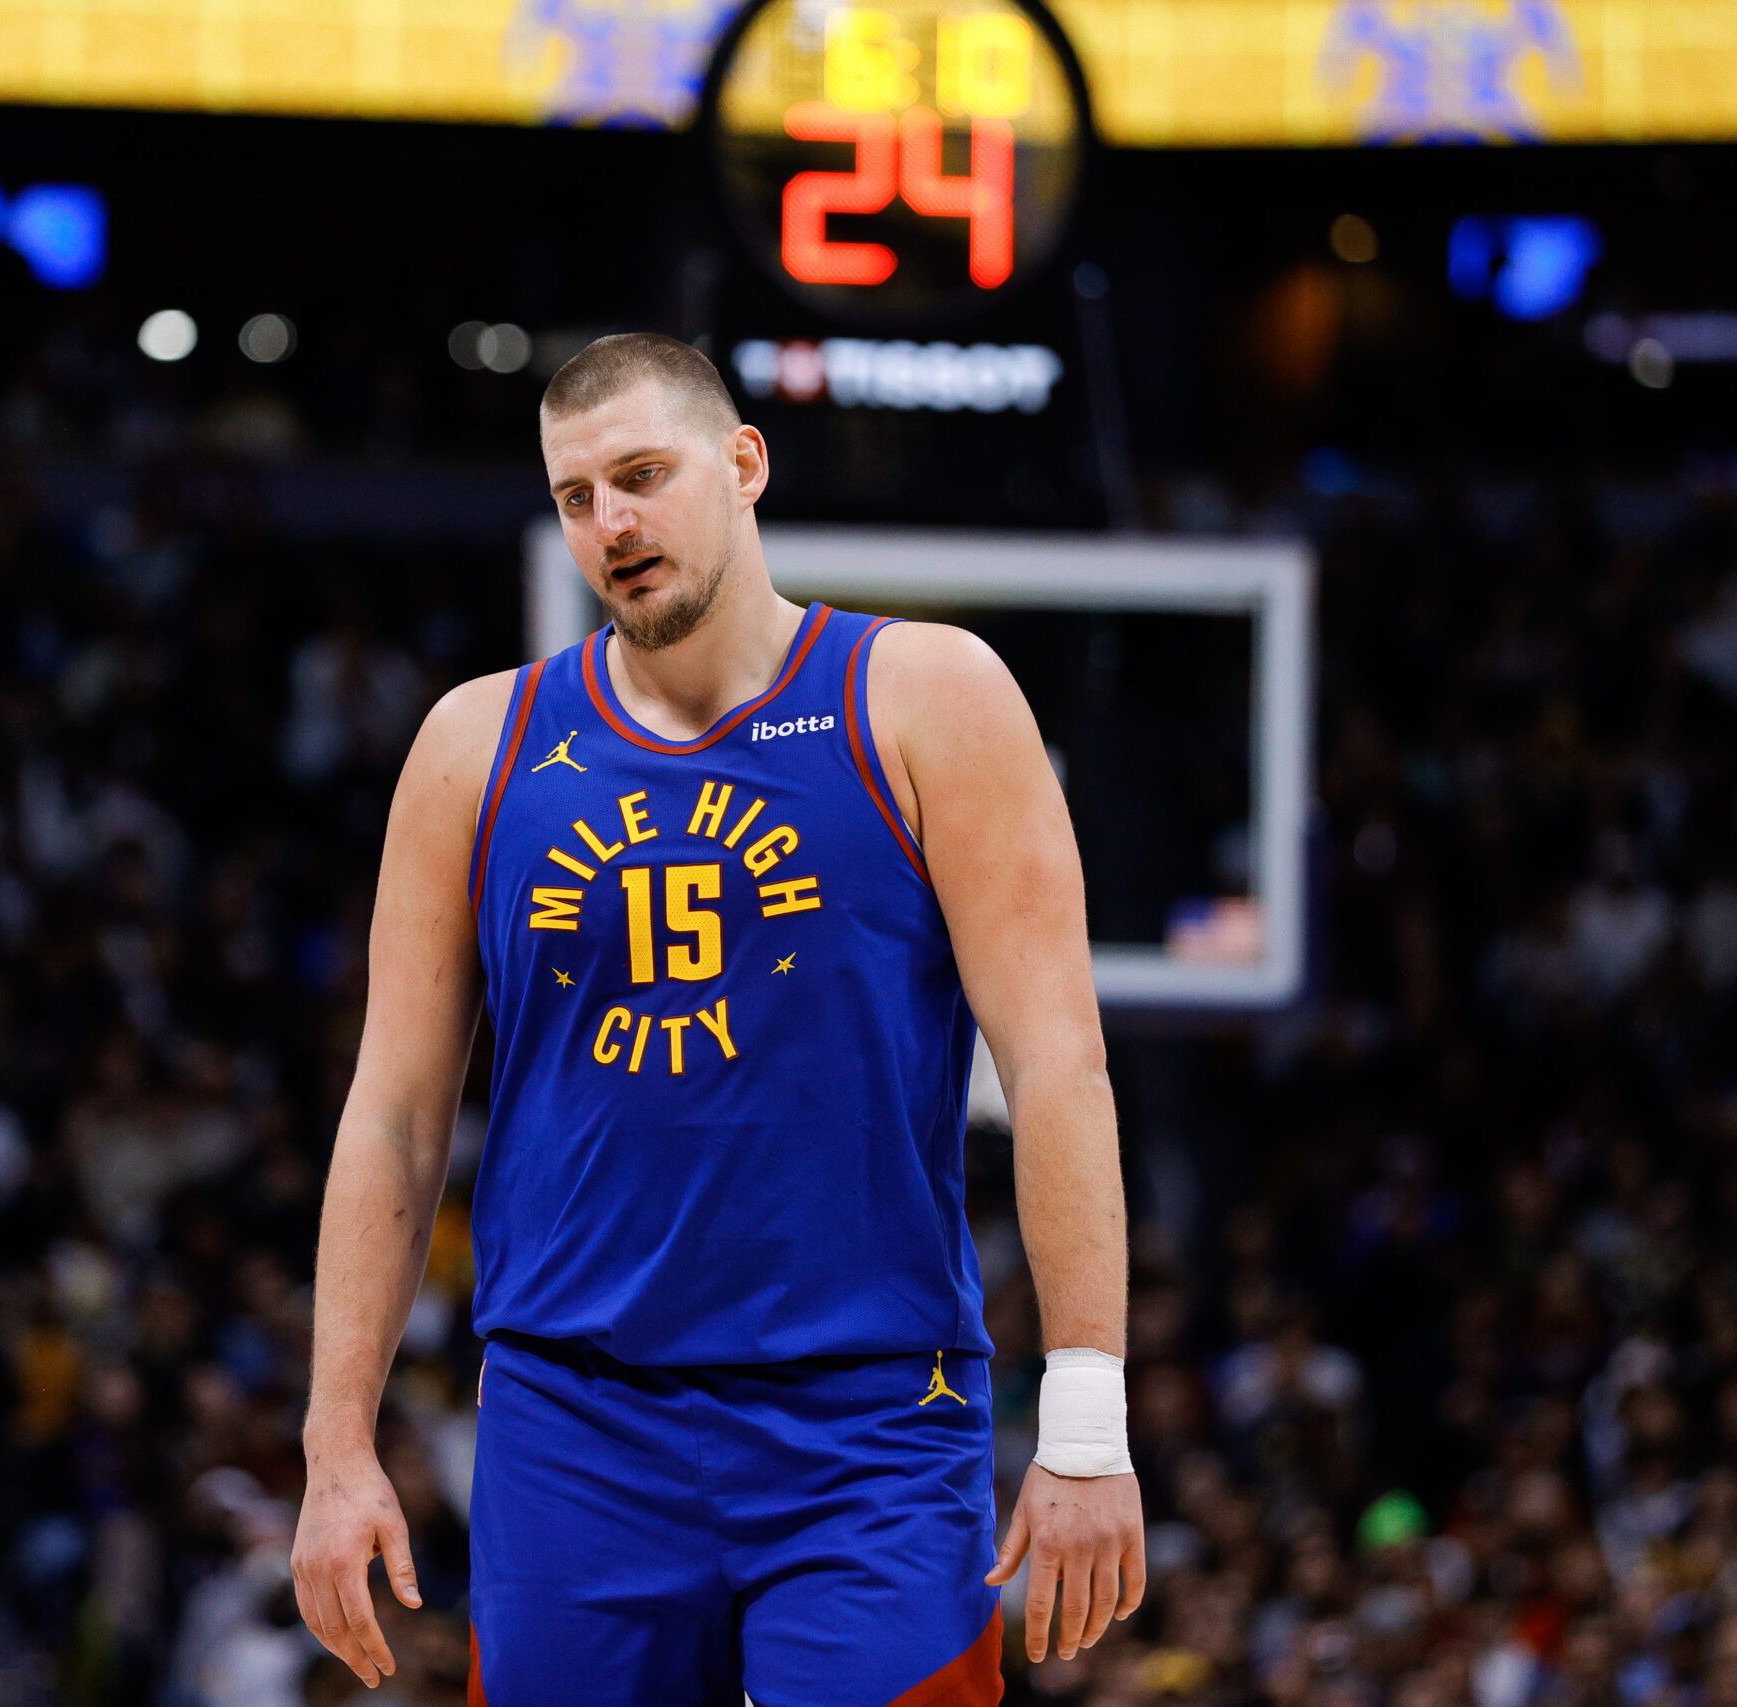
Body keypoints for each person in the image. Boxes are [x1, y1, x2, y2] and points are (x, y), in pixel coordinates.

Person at [291, 332, 1144, 1702]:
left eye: (642, 475)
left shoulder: (927, 696)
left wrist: (1087, 1419)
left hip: (868, 1418)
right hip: (574, 1424)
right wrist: (337, 1449)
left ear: (744, 464)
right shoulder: (475, 746)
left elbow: (1057, 1068)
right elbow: (393, 1116)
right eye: (578, 498)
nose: (613, 524)